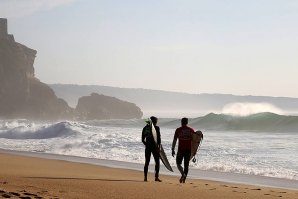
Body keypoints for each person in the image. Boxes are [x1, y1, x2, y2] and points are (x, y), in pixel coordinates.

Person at [171, 117, 195, 183]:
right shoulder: (191, 130)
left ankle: (183, 174)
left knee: (178, 163)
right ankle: (184, 179)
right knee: (186, 165)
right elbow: (194, 142)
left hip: (180, 150)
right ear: (187, 122)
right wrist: (194, 151)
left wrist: (173, 149)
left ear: (181, 122)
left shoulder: (178, 130)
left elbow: (175, 140)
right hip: (188, 150)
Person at [142, 116, 162, 182]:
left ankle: (145, 178)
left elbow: (142, 139)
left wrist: (146, 145)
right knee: (157, 162)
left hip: (148, 147)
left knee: (147, 162)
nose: (156, 123)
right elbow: (159, 138)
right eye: (156, 121)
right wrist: (159, 147)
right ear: (154, 121)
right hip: (154, 147)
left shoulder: (145, 128)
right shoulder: (156, 128)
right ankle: (156, 177)